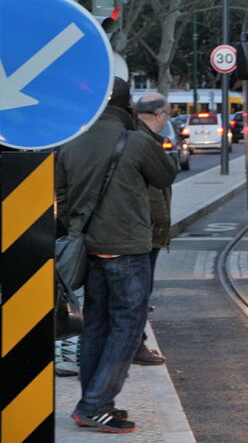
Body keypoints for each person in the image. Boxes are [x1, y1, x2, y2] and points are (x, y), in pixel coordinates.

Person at [56, 78, 177, 434]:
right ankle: (95, 405)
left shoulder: (71, 142)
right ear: (128, 108)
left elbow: (61, 196)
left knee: (95, 324)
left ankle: (93, 402)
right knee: (127, 326)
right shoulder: (136, 140)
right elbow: (166, 174)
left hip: (89, 248)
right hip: (127, 250)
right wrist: (142, 129)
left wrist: (80, 228)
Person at [133, 93, 175, 365]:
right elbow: (153, 192)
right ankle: (135, 345)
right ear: (159, 115)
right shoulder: (143, 142)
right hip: (143, 233)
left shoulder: (143, 138)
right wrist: (158, 228)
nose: (168, 119)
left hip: (145, 230)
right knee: (137, 293)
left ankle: (135, 343)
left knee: (137, 293)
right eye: (168, 114)